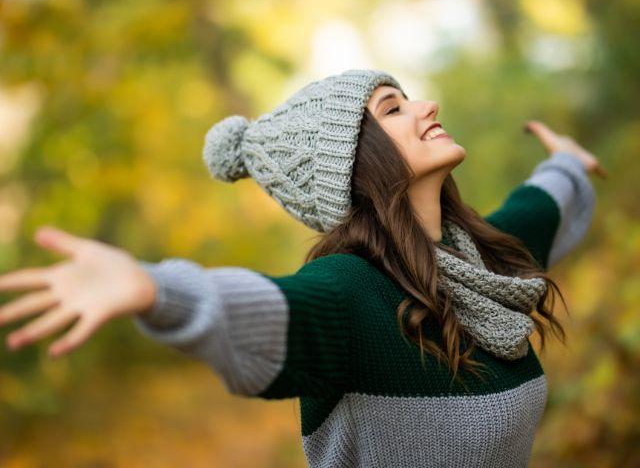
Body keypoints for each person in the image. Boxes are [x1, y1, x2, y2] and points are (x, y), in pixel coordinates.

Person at [0, 69, 606, 467]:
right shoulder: (350, 293)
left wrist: (569, 163)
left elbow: (539, 205)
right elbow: (262, 310)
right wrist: (154, 288)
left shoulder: (481, 261)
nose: (427, 105)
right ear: (353, 160)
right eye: (393, 109)